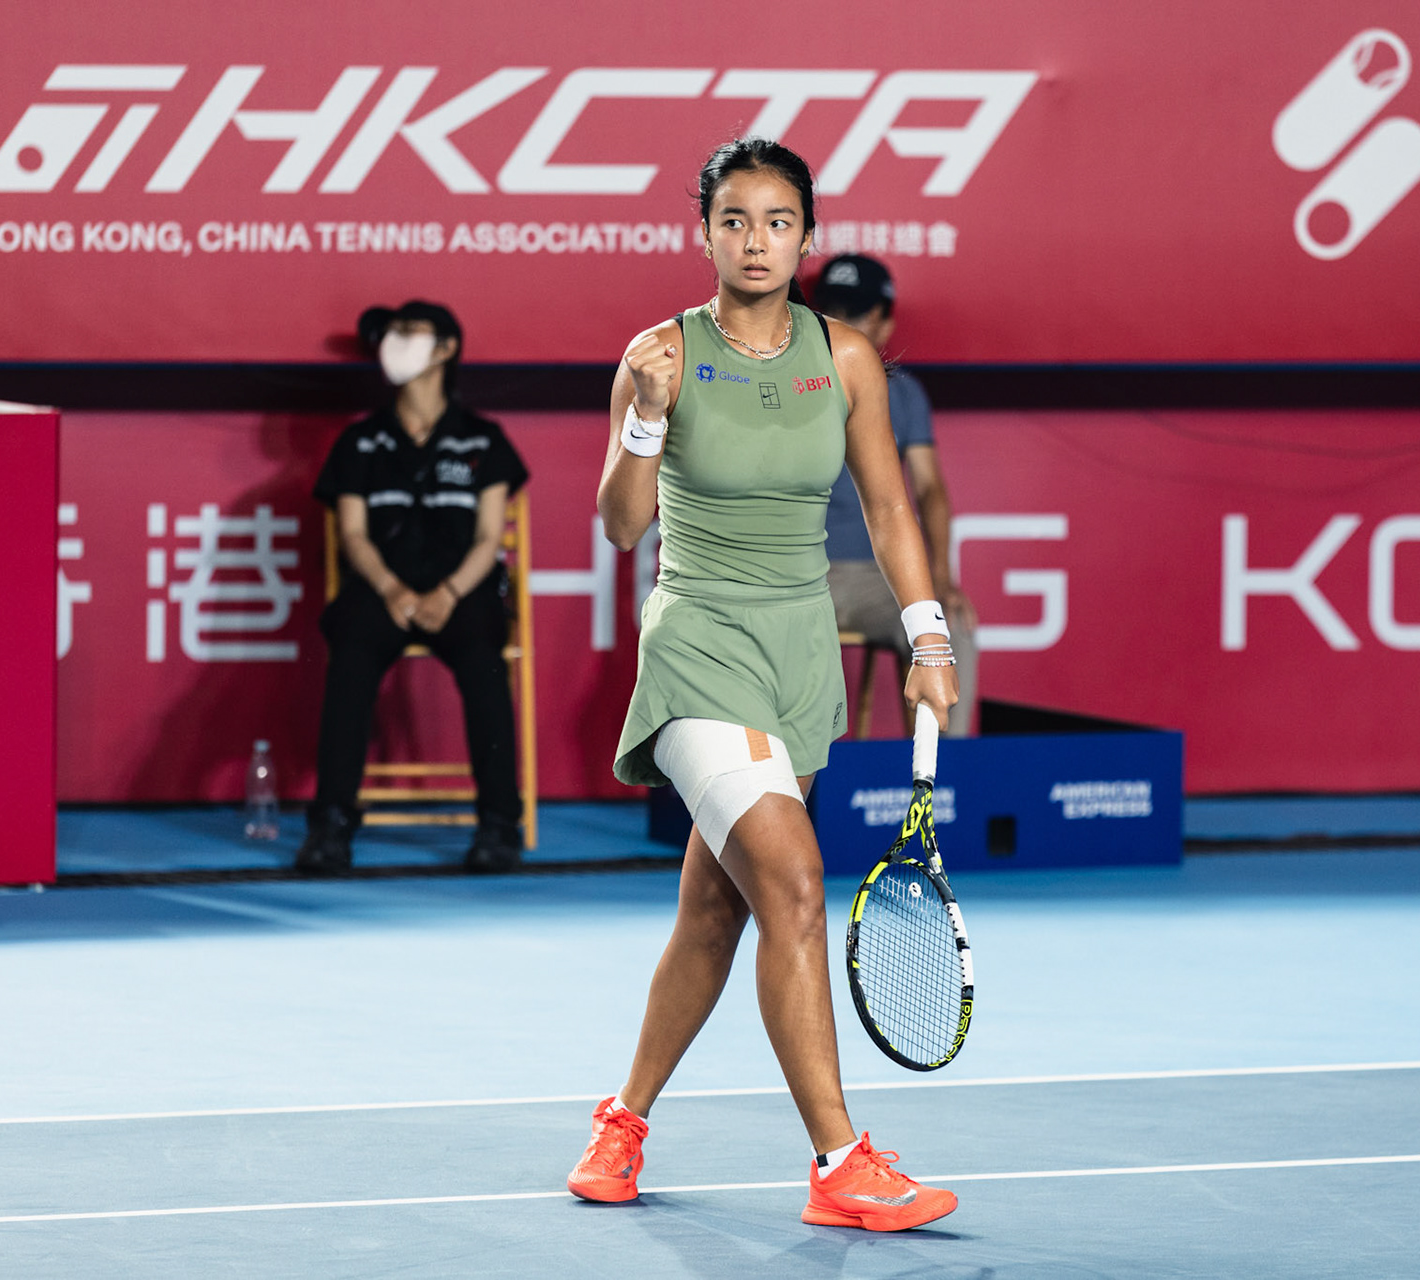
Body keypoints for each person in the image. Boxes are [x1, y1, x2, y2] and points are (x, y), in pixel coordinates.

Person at [568, 139, 962, 1232]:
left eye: (778, 221)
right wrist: (645, 416)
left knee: (713, 913)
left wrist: (927, 635)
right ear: (704, 233)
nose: (756, 241)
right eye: (735, 220)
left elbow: (889, 508)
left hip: (799, 656)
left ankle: (620, 1123)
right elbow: (620, 524)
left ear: (806, 237)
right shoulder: (658, 354)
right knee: (793, 885)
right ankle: (840, 1161)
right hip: (699, 647)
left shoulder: (846, 360)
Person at [295, 300, 530, 876]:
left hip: (460, 592)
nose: (395, 342)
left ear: (446, 348)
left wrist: (447, 594)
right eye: (391, 333)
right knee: (350, 652)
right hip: (382, 590)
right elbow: (352, 533)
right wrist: (392, 590)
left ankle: (499, 824)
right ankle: (331, 825)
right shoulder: (361, 442)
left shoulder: (482, 440)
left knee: (485, 663)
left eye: (410, 331)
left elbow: (488, 539)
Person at [812, 254, 979, 736]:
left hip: (879, 579)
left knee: (949, 625)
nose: (843, 326)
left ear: (883, 323)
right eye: (832, 312)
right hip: (801, 574)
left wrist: (941, 578)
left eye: (856, 314)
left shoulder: (903, 393)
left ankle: (943, 771)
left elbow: (929, 488)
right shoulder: (785, 384)